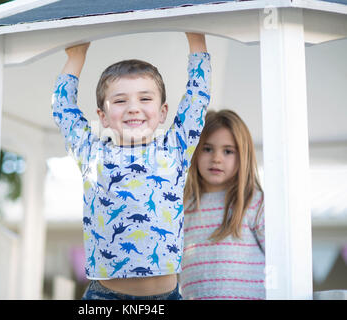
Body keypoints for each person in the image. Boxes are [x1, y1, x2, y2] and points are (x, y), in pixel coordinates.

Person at [51, 33, 211, 300]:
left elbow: (197, 99)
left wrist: (197, 41)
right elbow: (63, 109)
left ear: (163, 112)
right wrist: (76, 56)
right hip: (105, 296)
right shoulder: (92, 154)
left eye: (145, 99)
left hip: (166, 296)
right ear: (102, 116)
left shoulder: (175, 148)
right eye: (120, 100)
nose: (133, 108)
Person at [180, 109, 265, 300]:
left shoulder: (254, 202)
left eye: (228, 151)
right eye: (207, 149)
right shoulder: (181, 207)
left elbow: (281, 260)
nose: (216, 158)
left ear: (243, 155)